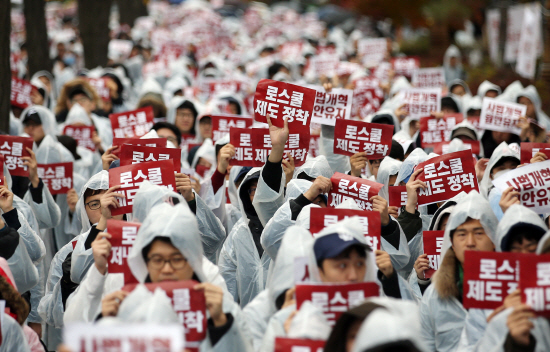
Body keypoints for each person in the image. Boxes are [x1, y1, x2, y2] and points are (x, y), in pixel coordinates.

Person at [420, 191, 498, 352]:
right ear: (452, 245)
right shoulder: (433, 296)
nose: (470, 242)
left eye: (478, 233)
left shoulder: (512, 289)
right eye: (462, 234)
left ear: (494, 240)